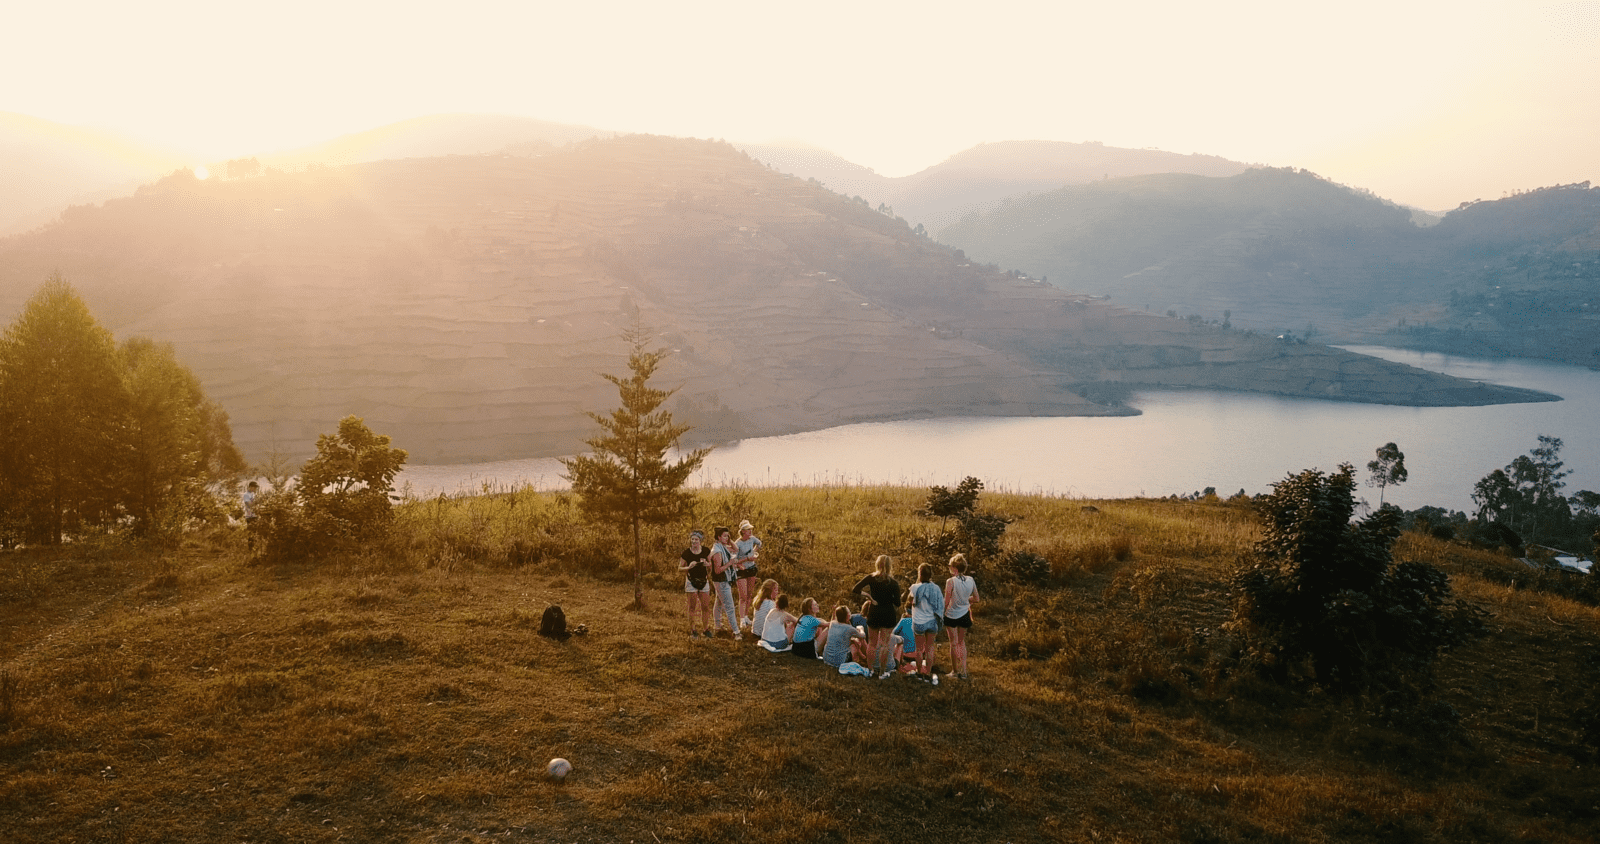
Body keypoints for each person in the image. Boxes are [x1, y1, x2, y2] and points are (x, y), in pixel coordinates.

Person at [852, 555, 904, 680]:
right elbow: (898, 603)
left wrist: (869, 597)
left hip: (874, 612)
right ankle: (882, 672)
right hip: (888, 614)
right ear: (889, 566)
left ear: (877, 564)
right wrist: (890, 598)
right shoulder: (893, 583)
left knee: (872, 643)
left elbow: (856, 589)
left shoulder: (871, 578)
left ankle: (870, 670)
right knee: (884, 644)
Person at [943, 553, 981, 680]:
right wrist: (966, 600)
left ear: (955, 567)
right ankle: (963, 672)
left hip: (951, 615)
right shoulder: (970, 580)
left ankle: (954, 671)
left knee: (953, 644)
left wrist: (940, 614)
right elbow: (976, 598)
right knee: (961, 642)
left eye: (950, 566)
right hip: (964, 614)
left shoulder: (950, 581)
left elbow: (946, 602)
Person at [907, 562, 945, 681]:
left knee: (919, 649)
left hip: (919, 621)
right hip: (932, 621)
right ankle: (928, 672)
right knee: (930, 648)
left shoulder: (915, 588)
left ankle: (919, 672)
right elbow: (941, 604)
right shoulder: (936, 588)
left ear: (919, 574)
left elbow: (908, 601)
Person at [677, 530, 713, 638]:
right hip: (691, 581)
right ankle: (693, 630)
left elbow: (711, 564)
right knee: (692, 607)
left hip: (703, 580)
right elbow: (679, 568)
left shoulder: (706, 551)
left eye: (696, 539)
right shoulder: (686, 553)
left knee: (705, 607)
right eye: (692, 539)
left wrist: (707, 564)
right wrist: (689, 567)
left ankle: (706, 629)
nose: (694, 541)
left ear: (700, 540)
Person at [708, 527, 742, 639]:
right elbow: (717, 570)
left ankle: (717, 626)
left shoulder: (722, 547)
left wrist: (729, 539)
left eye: (728, 536)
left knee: (718, 602)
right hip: (721, 580)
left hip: (723, 580)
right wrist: (730, 563)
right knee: (730, 607)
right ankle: (736, 632)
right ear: (718, 537)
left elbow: (736, 549)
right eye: (724, 536)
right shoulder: (717, 551)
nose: (727, 538)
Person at [732, 520, 763, 629]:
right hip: (741, 570)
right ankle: (741, 619)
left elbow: (760, 543)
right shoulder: (737, 543)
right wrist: (746, 559)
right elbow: (734, 561)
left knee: (749, 594)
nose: (750, 531)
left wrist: (754, 551)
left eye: (751, 529)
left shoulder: (752, 539)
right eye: (748, 529)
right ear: (743, 531)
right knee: (743, 596)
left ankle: (745, 616)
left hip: (751, 569)